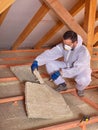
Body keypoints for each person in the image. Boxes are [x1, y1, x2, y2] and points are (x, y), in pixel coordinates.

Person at [31, 30, 92, 97]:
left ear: (75, 42)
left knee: (84, 80)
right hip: (67, 65)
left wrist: (61, 72)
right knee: (50, 64)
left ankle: (80, 88)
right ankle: (62, 84)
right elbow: (51, 53)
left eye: (68, 44)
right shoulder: (64, 46)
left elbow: (78, 68)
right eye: (64, 43)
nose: (65, 46)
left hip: (81, 70)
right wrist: (37, 61)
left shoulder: (83, 51)